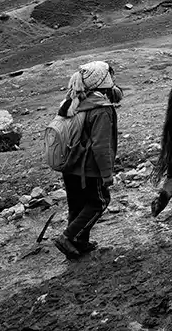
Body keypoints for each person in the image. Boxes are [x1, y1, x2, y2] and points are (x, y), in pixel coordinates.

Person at [54, 60, 121, 260]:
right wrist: (107, 174)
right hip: (89, 169)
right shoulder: (101, 109)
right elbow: (101, 146)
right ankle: (68, 237)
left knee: (77, 205)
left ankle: (79, 243)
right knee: (99, 202)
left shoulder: (71, 103)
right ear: (104, 80)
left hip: (70, 166)